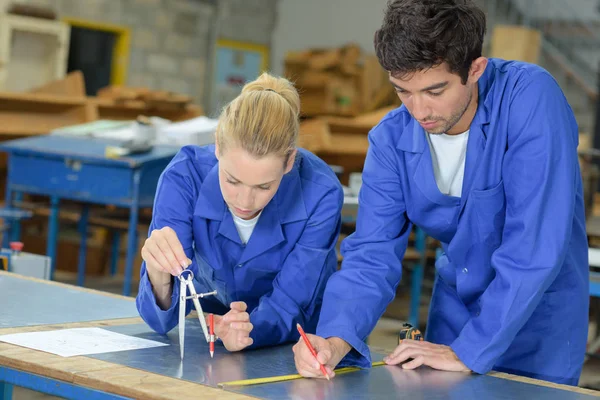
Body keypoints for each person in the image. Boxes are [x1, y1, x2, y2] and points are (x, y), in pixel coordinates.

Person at [293, 0, 589, 386]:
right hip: (456, 311)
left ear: (476, 70)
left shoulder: (529, 99)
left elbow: (533, 245)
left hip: (537, 315)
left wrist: (470, 349)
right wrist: (335, 338)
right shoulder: (390, 138)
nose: (419, 110)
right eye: (402, 91)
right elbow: (371, 254)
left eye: (435, 90)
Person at [136, 72, 344, 352]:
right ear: (218, 147)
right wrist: (158, 273)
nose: (245, 201)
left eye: (263, 186)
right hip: (209, 337)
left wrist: (247, 332)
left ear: (289, 162)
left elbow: (292, 302)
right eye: (232, 180)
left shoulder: (320, 193)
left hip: (297, 347)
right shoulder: (184, 177)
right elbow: (160, 323)